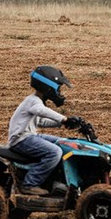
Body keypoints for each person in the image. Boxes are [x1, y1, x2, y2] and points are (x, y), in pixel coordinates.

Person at [8, 66, 82, 196]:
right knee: (55, 152)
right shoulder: (34, 102)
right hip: (21, 140)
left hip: (29, 136)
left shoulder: (35, 102)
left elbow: (41, 122)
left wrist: (62, 124)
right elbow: (41, 111)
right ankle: (29, 184)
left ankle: (57, 180)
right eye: (58, 88)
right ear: (48, 87)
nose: (59, 91)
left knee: (62, 143)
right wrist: (64, 119)